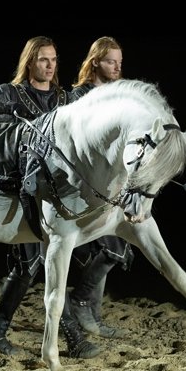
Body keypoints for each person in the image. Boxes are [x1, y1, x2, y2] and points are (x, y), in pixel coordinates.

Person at [0, 36, 100, 359]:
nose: (50, 66)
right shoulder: (12, 93)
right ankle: (72, 339)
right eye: (43, 60)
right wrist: (9, 119)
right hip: (21, 193)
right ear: (30, 62)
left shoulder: (66, 99)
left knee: (37, 265)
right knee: (34, 263)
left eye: (53, 60)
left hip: (58, 198)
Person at [64, 36, 132, 338]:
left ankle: (92, 313)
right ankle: (81, 303)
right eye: (110, 62)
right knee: (108, 247)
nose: (117, 67)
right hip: (82, 186)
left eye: (119, 62)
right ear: (95, 63)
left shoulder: (118, 97)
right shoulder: (79, 96)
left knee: (114, 245)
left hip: (112, 186)